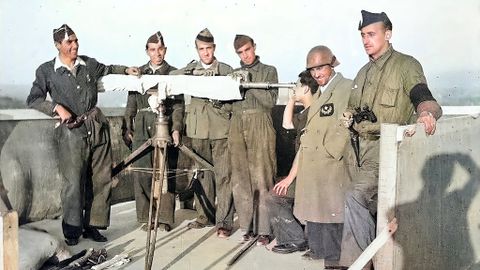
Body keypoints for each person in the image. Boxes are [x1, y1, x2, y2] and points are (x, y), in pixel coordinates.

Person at [338, 10, 442, 268]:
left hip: (387, 150)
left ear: (388, 33)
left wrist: (427, 113)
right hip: (357, 152)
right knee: (361, 204)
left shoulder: (406, 65)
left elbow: (423, 95)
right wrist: (348, 115)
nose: (365, 40)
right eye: (362, 35)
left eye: (371, 34)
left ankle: (362, 264)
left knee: (355, 196)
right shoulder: (362, 73)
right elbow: (353, 107)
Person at [26, 24, 139, 246]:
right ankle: (72, 231)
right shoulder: (46, 70)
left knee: (101, 179)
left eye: (76, 41)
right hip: (71, 133)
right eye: (69, 42)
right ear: (58, 45)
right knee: (73, 183)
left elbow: (108, 68)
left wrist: (126, 70)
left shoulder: (89, 64)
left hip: (97, 128)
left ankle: (94, 226)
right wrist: (56, 107)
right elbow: (33, 99)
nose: (75, 45)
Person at [276, 46, 352, 266]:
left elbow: (348, 119)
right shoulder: (318, 93)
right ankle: (330, 262)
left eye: (321, 68)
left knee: (333, 221)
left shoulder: (345, 87)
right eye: (313, 70)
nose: (317, 74)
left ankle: (336, 264)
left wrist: (332, 150)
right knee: (321, 220)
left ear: (332, 65)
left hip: (331, 166)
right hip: (314, 167)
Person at [172, 28, 234, 237]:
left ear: (214, 48)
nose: (205, 53)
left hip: (221, 129)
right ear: (197, 50)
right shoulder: (190, 70)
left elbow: (235, 95)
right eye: (201, 49)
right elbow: (171, 76)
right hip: (198, 130)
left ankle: (224, 221)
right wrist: (189, 71)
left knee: (223, 175)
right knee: (202, 174)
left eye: (208, 48)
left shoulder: (225, 69)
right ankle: (204, 216)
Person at [122, 31, 182, 232]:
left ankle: (164, 218)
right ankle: (146, 217)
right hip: (142, 125)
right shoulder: (138, 73)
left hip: (165, 123)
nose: (157, 53)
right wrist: (128, 127)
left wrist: (176, 129)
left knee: (165, 171)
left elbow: (179, 106)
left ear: (165, 50)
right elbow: (131, 103)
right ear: (147, 51)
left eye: (160, 49)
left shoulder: (174, 73)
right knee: (143, 172)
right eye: (152, 50)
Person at [230, 35, 278, 245]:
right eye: (240, 53)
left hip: (261, 123)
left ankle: (265, 229)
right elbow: (228, 104)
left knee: (263, 175)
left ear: (254, 47)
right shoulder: (231, 74)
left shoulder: (269, 70)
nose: (245, 55)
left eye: (247, 50)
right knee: (240, 178)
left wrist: (248, 83)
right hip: (237, 125)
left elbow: (270, 101)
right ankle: (247, 226)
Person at [266, 70, 318, 254]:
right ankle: (290, 236)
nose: (293, 89)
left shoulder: (314, 115)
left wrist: (289, 178)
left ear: (305, 88)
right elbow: (287, 124)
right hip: (306, 172)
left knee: (274, 196)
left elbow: (303, 152)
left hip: (311, 175)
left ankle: (295, 239)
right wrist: (291, 99)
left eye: (296, 86)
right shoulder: (307, 112)